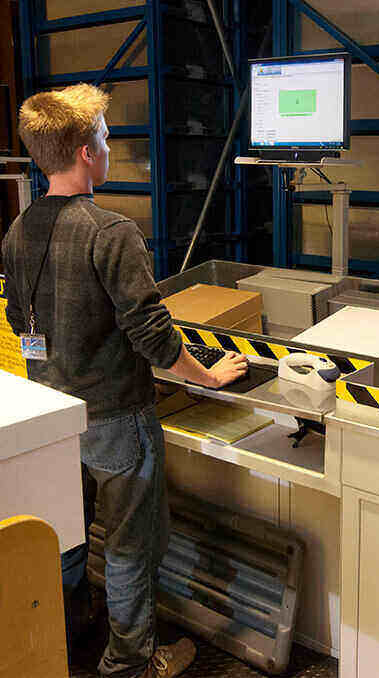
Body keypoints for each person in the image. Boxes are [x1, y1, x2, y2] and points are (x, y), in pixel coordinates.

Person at [1, 83, 248, 678]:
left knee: (62, 534)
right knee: (132, 547)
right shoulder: (111, 233)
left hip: (51, 419)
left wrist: (55, 366)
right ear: (86, 152)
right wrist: (207, 377)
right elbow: (155, 337)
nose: (112, 147)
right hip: (116, 421)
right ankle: (131, 664)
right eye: (107, 138)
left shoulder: (17, 232)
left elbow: (18, 320)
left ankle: (59, 635)